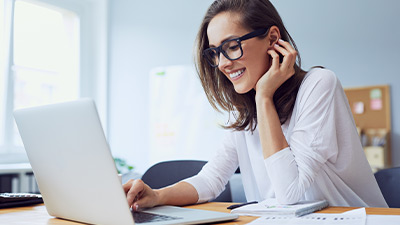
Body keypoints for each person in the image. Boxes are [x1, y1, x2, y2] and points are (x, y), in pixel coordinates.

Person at [123, 0, 388, 210]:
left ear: (273, 39)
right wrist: (156, 195)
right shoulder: (244, 110)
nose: (223, 63)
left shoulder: (319, 84)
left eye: (232, 46)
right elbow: (211, 179)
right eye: (215, 52)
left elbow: (290, 193)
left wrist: (264, 97)